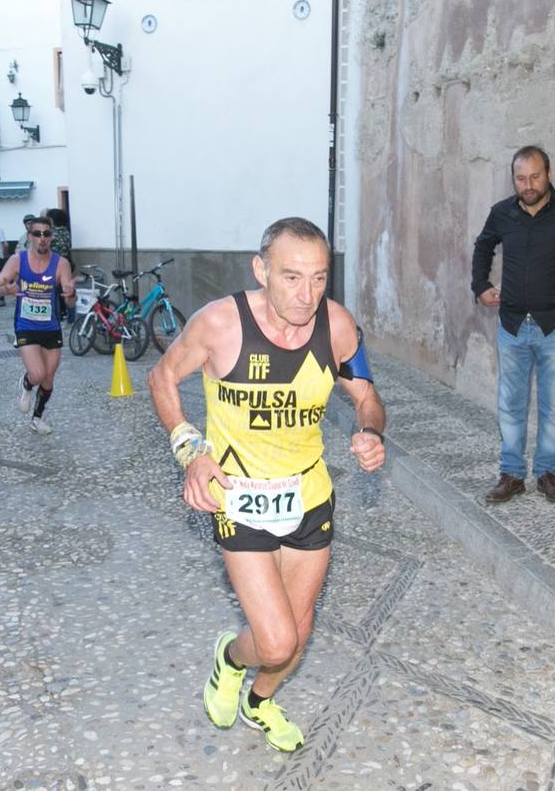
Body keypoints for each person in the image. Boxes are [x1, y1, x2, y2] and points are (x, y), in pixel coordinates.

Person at [146, 217, 386, 753]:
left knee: (295, 639)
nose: (307, 295)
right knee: (273, 639)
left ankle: (259, 702)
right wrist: (191, 450)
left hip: (309, 496)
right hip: (239, 498)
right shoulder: (219, 324)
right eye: (292, 277)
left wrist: (370, 430)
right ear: (261, 271)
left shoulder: (337, 327)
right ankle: (230, 659)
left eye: (320, 278)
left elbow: (367, 394)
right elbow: (161, 376)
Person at [471, 145, 555, 505]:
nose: (528, 184)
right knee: (510, 405)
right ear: (513, 179)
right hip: (513, 325)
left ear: (548, 174)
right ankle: (512, 475)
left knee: (554, 407)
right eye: (521, 178)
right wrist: (481, 286)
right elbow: (482, 248)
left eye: (535, 176)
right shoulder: (501, 213)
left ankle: (547, 473)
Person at [0, 215, 75, 434]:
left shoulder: (61, 263)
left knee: (48, 378)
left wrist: (70, 294)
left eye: (46, 234)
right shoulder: (17, 260)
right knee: (37, 374)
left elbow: (70, 299)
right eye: (37, 234)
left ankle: (37, 418)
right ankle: (27, 384)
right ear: (30, 237)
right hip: (26, 326)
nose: (42, 239)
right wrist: (5, 290)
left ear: (51, 237)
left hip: (51, 327)